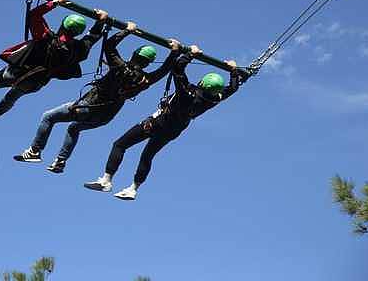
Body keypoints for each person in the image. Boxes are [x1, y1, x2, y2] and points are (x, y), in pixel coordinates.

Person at [13, 21, 182, 173]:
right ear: (148, 63)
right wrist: (174, 53)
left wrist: (127, 31)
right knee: (74, 128)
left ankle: (35, 151)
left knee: (48, 117)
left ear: (134, 55)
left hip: (88, 106)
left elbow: (109, 45)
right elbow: (164, 69)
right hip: (105, 117)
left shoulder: (119, 66)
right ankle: (60, 162)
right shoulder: (146, 80)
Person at [83, 46, 247, 200]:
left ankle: (106, 180)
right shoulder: (213, 100)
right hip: (173, 131)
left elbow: (178, 68)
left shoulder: (187, 93)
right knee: (147, 156)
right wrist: (233, 71)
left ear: (203, 83)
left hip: (157, 123)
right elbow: (232, 89)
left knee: (120, 144)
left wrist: (191, 54)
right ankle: (133, 189)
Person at [0, 0, 109, 127]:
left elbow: (34, 15)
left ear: (63, 25)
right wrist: (101, 21)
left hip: (15, 73)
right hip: (35, 82)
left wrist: (55, 2)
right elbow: (92, 38)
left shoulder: (46, 38)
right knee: (10, 100)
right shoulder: (78, 50)